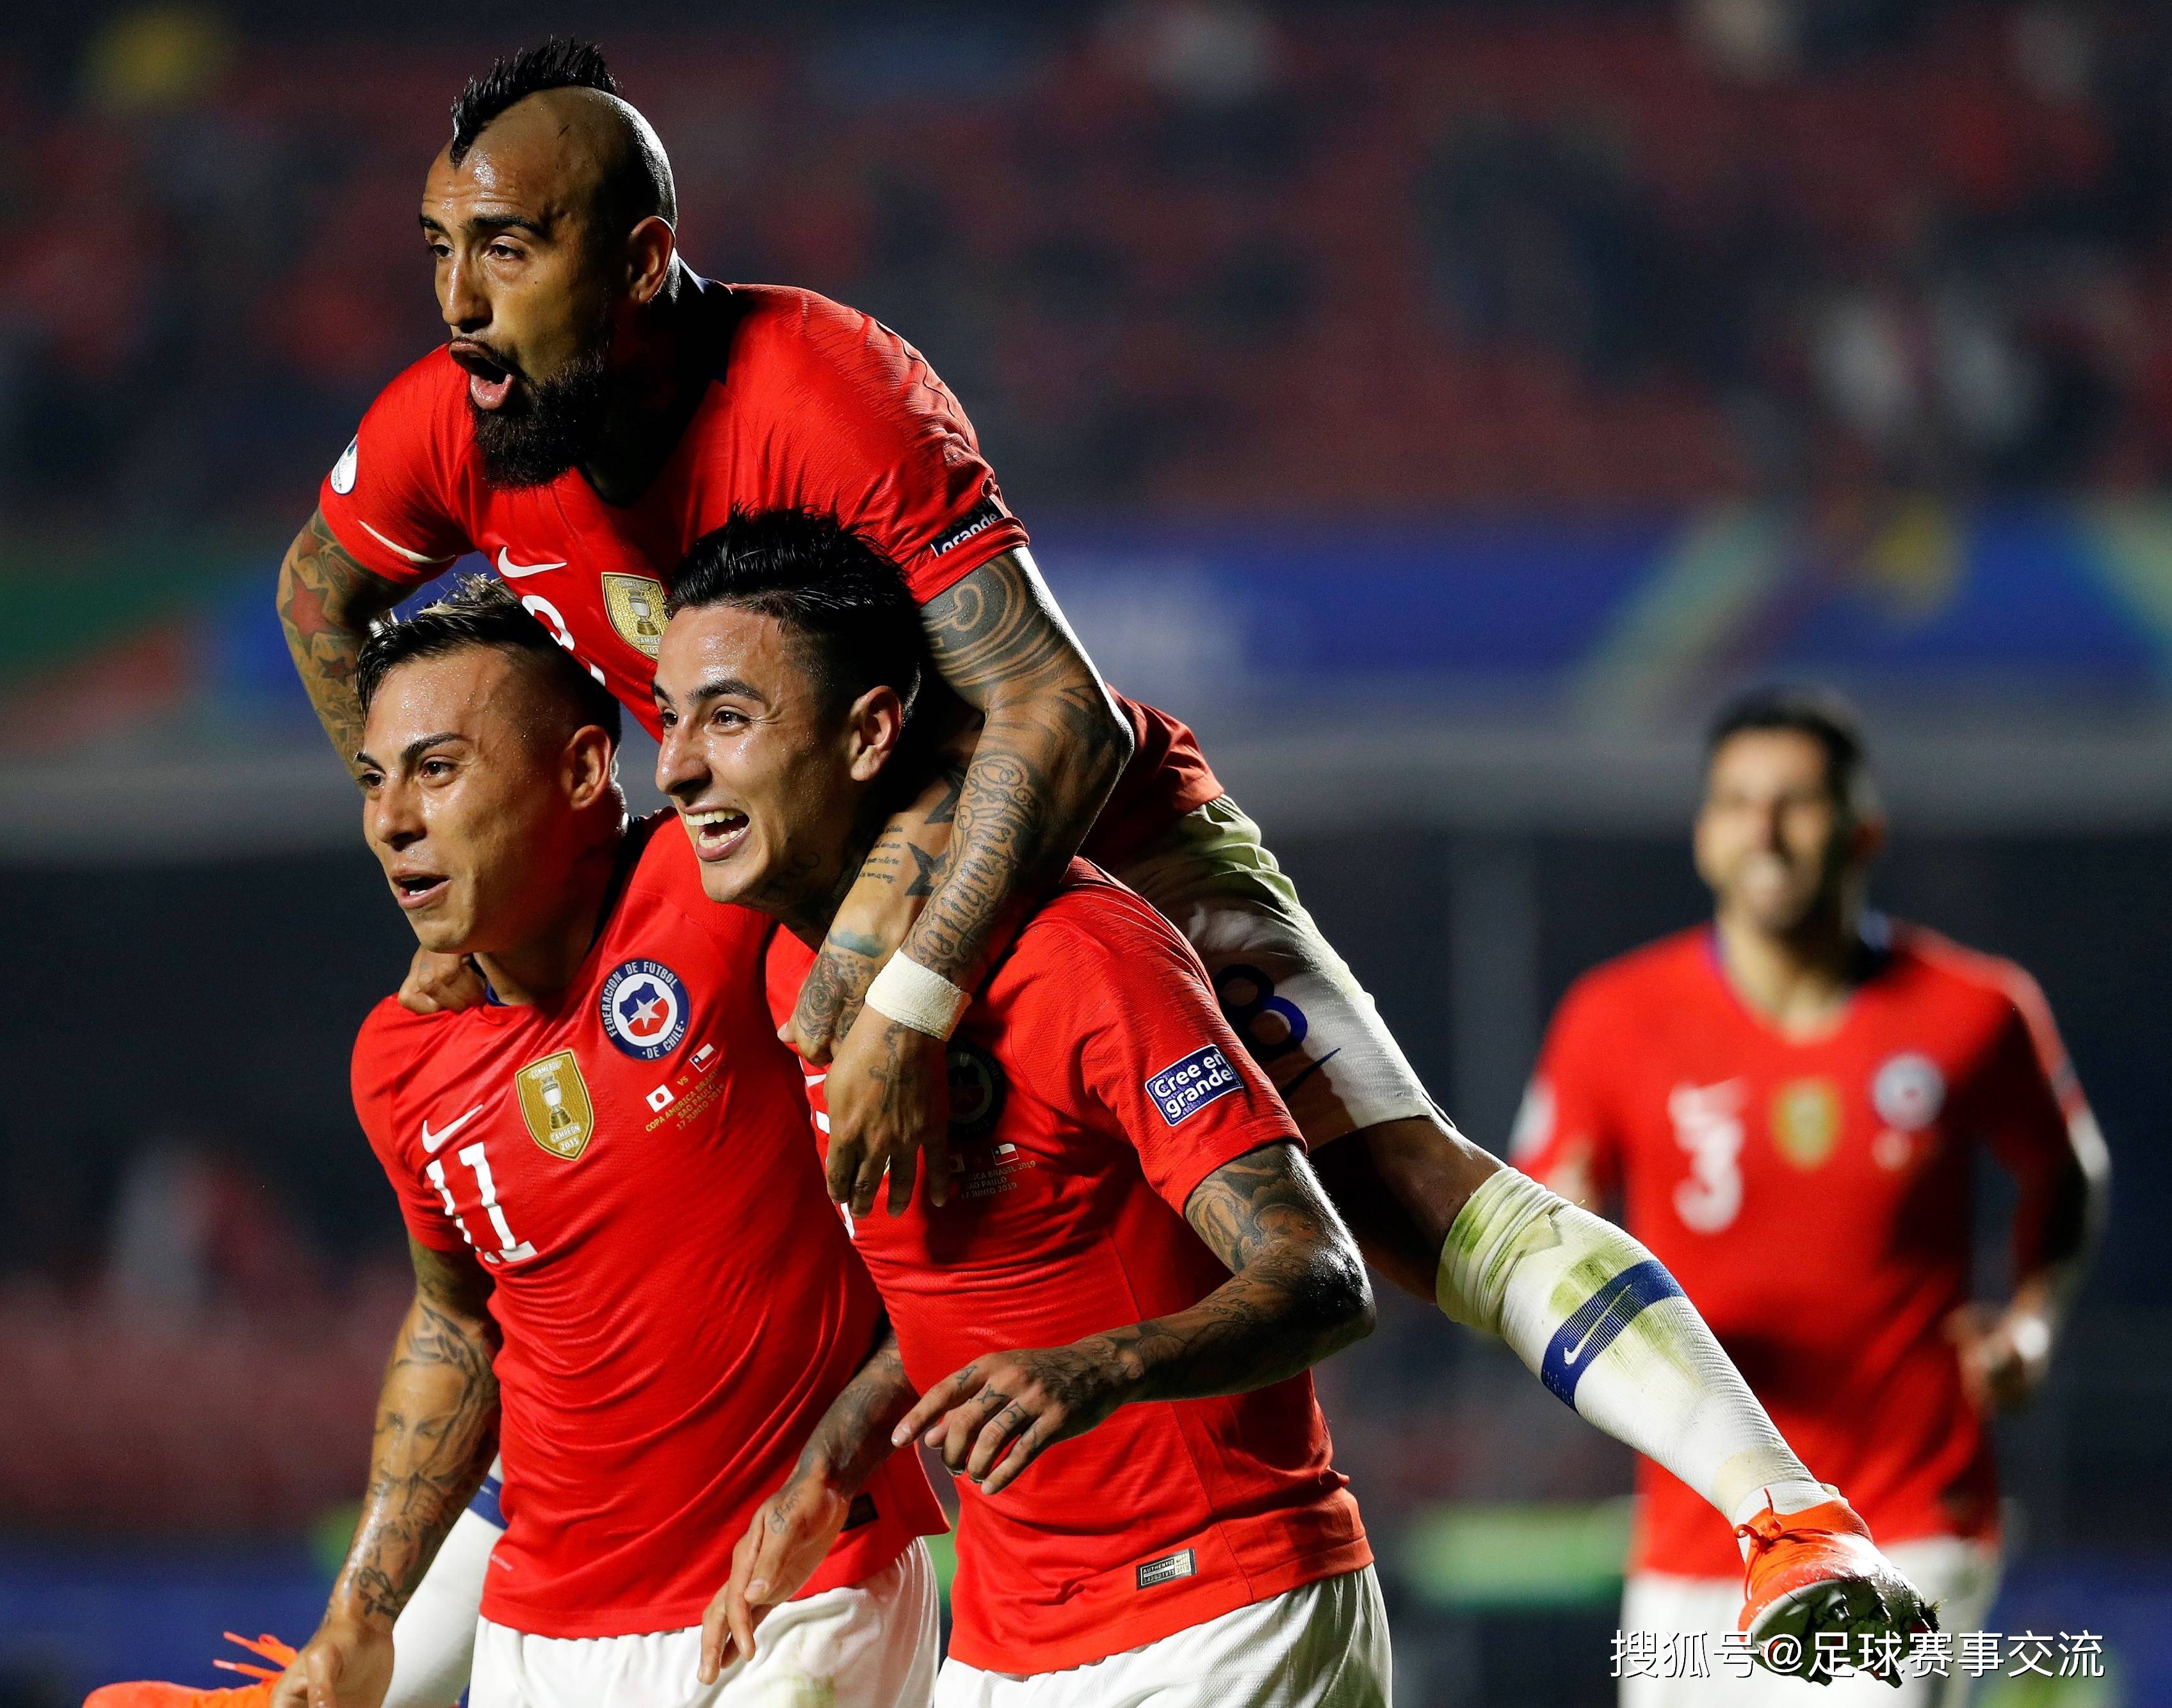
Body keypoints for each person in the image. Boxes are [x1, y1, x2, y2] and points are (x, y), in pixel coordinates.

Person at [264, 32, 1932, 1692]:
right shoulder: (452, 428)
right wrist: (441, 867)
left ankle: (1789, 1521)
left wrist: (915, 990)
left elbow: (1049, 709)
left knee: (1387, 1183)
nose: (459, 301)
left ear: (639, 259)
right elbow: (315, 596)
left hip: (1066, 835)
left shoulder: (818, 388)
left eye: (508, 247)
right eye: (440, 250)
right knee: (654, 1222)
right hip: (817, 891)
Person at [102, 582, 952, 1708]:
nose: (393, 820)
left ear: (586, 769)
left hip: (797, 1595)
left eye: (438, 769)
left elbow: (947, 769)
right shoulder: (399, 1060)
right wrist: (361, 1616)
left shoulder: (720, 891)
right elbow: (458, 1324)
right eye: (374, 780)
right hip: (540, 1635)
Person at [652, 511, 1382, 1704]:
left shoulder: (1080, 952)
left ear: (868, 735)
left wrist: (1101, 1367)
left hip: (1221, 1612)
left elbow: (1318, 1275)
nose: (677, 766)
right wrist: (823, 1471)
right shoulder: (795, 978)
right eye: (670, 719)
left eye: (727, 718)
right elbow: (965, 1300)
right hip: (1006, 1638)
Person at [1513, 688, 2111, 1705]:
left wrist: (2031, 1320)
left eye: (1794, 802)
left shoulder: (1973, 1010)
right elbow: (1527, 1243)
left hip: (1901, 1520)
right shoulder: (1611, 1019)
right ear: (1704, 835)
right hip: (1697, 1533)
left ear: (1860, 830)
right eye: (1737, 803)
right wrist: (1557, 1244)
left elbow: (2066, 1168)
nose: (1765, 831)